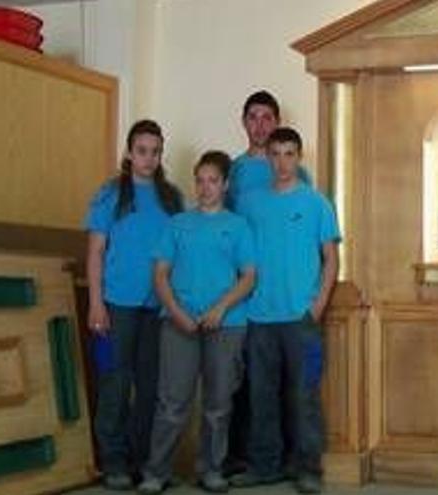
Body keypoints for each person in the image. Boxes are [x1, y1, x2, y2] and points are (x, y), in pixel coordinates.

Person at [137, 151, 255, 494]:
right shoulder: (178, 225)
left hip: (227, 324)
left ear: (225, 184)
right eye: (200, 180)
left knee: (218, 405)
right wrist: (176, 312)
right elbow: (160, 274)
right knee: (172, 404)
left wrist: (220, 309)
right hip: (178, 323)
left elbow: (248, 276)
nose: (205, 188)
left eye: (213, 181)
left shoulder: (238, 226)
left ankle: (211, 470)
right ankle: (156, 472)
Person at [232, 127, 340, 494]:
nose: (281, 162)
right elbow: (234, 251)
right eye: (275, 154)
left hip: (301, 319)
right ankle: (265, 466)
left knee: (304, 396)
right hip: (259, 316)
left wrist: (319, 303)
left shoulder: (317, 204)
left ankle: (308, 468)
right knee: (261, 396)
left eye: (289, 154)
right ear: (268, 158)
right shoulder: (248, 202)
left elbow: (330, 258)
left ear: (299, 157)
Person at [85, 119, 184, 490]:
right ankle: (114, 462)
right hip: (115, 305)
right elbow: (95, 251)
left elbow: (180, 251)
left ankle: (145, 463)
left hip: (157, 309)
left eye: (155, 151)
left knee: (150, 388)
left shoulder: (172, 198)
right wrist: (96, 303)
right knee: (114, 382)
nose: (148, 158)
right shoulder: (110, 194)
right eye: (141, 151)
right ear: (129, 153)